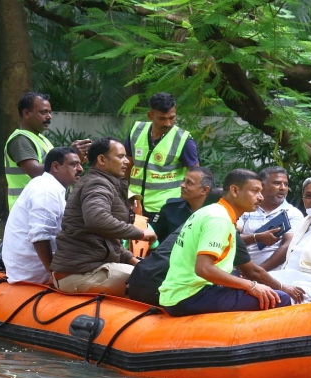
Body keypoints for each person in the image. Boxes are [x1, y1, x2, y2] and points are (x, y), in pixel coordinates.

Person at [128, 188, 306, 305]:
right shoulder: (220, 222)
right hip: (166, 291)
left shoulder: (197, 218)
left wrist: (256, 237)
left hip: (143, 281)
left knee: (232, 275)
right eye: (254, 192)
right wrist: (279, 288)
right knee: (277, 298)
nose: (259, 198)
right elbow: (252, 272)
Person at [159, 169, 291, 316]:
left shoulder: (211, 211)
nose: (260, 197)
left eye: (260, 192)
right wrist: (251, 285)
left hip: (179, 293)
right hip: (191, 295)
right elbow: (203, 269)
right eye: (254, 191)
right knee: (280, 299)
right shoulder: (219, 219)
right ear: (234, 190)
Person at [50, 137, 157, 296]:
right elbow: (96, 219)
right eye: (120, 157)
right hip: (80, 274)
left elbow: (107, 239)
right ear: (102, 159)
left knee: (146, 271)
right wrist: (140, 233)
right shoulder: (97, 184)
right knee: (152, 280)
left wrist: (132, 260)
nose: (126, 161)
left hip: (90, 268)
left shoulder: (106, 182)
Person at [1, 147, 83, 284]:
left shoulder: (50, 186)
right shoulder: (46, 190)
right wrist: (54, 273)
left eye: (80, 164)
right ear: (55, 167)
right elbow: (40, 236)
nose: (80, 169)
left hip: (33, 269)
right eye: (73, 164)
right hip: (34, 274)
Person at [4, 92, 91, 209]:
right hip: (28, 209)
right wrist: (70, 154)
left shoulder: (42, 139)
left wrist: (75, 160)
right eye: (43, 112)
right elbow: (36, 173)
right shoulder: (21, 140)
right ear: (26, 113)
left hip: (43, 205)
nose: (49, 116)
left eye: (49, 112)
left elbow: (55, 171)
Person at [125, 92, 199, 222]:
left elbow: (196, 176)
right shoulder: (136, 131)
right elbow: (126, 166)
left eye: (172, 118)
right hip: (134, 204)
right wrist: (125, 195)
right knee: (135, 242)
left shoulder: (183, 139)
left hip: (167, 208)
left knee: (160, 242)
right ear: (150, 115)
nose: (168, 123)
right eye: (162, 119)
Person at [238, 167, 304, 270]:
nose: (283, 188)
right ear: (262, 186)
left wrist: (258, 273)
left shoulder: (293, 213)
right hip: (241, 272)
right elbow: (231, 238)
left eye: (286, 184)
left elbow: (288, 246)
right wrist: (256, 237)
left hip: (276, 276)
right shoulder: (245, 210)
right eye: (277, 183)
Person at [152, 166, 214, 244]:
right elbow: (153, 237)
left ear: (204, 190)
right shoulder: (171, 209)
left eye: (189, 183)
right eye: (184, 181)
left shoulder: (214, 215)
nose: (182, 185)